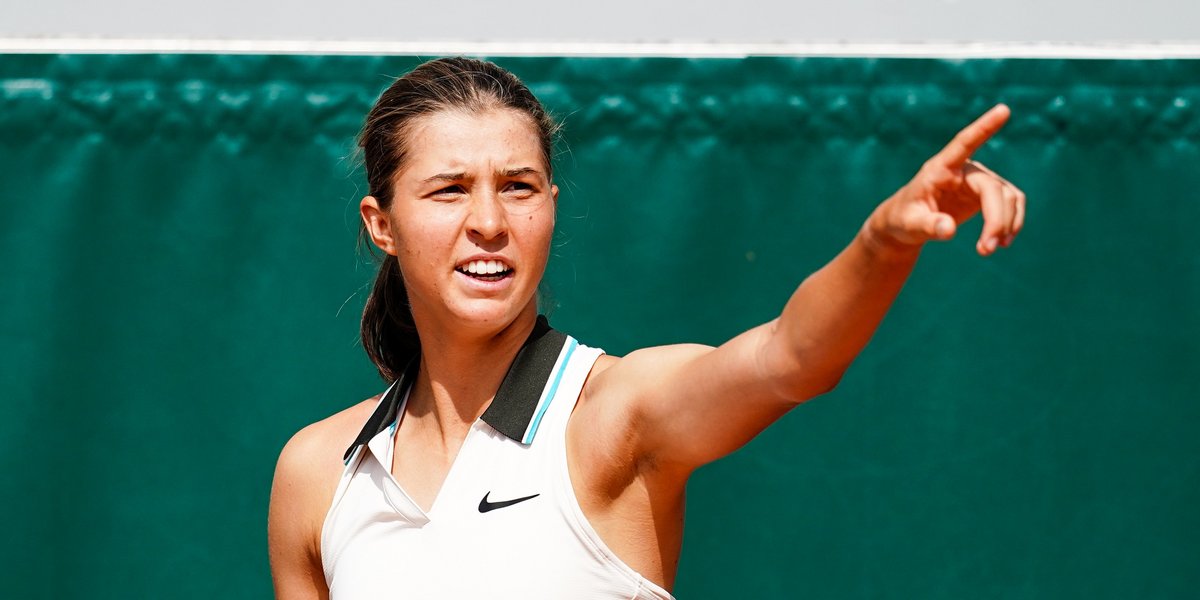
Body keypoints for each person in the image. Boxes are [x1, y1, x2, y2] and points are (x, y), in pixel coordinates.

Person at [267, 56, 1025, 599]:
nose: (490, 221)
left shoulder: (615, 415)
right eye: (449, 190)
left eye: (518, 186)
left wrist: (884, 242)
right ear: (382, 224)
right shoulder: (316, 474)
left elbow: (791, 357)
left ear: (551, 205)